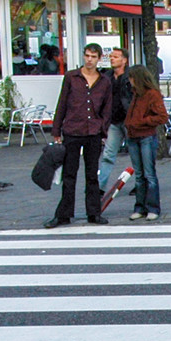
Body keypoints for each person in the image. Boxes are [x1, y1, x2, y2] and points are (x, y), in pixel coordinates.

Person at [45, 43, 112, 228]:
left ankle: (94, 212)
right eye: (87, 56)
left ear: (99, 59)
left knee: (92, 175)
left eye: (93, 56)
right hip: (73, 130)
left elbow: (107, 108)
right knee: (69, 174)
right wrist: (56, 130)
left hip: (93, 132)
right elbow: (62, 103)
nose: (89, 60)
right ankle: (64, 214)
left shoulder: (104, 81)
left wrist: (102, 129)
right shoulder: (71, 77)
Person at [123, 64, 167, 221]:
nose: (130, 81)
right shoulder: (136, 94)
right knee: (140, 175)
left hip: (146, 135)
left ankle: (152, 207)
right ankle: (140, 207)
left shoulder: (151, 95)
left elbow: (162, 116)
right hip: (134, 136)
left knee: (148, 174)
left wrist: (142, 121)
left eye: (132, 78)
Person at [98, 47, 133, 193]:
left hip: (129, 120)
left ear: (124, 60)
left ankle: (140, 184)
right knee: (108, 154)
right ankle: (100, 187)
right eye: (111, 56)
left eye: (116, 57)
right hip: (113, 120)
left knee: (135, 154)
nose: (112, 59)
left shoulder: (131, 76)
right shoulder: (107, 77)